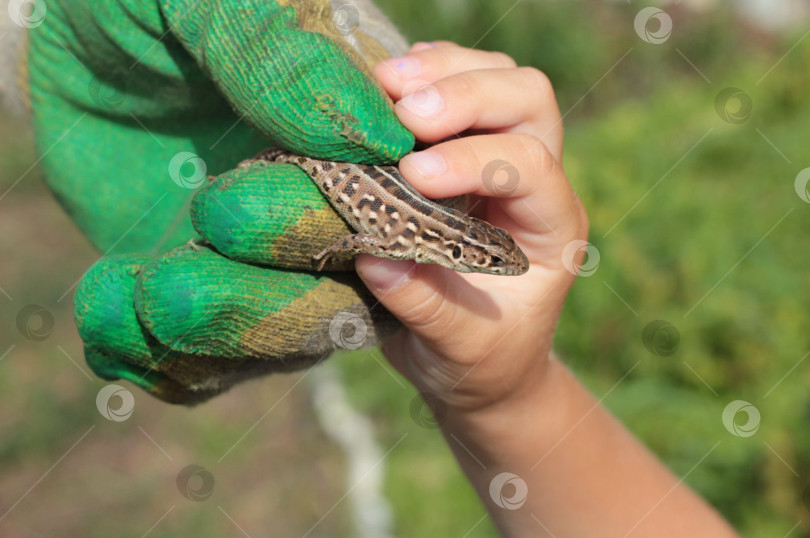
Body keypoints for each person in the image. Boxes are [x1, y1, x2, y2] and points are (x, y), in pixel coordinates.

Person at [9, 1, 739, 535]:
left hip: (344, 192)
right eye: (487, 255)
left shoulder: (429, 250)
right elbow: (370, 225)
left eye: (488, 255)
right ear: (465, 251)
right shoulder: (432, 238)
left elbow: (366, 240)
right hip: (312, 162)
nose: (492, 261)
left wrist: (503, 391)